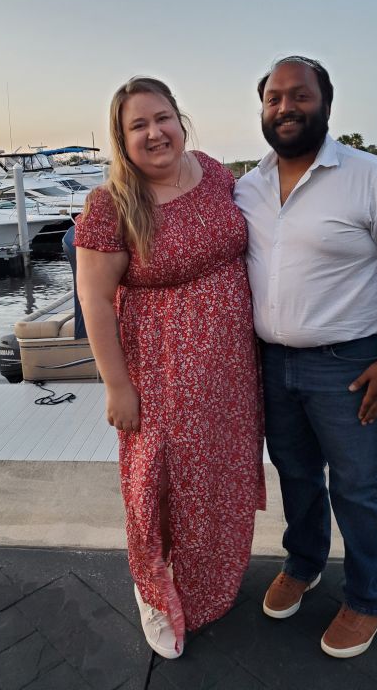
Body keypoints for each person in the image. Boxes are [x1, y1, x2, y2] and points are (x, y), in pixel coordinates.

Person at [234, 56, 377, 659]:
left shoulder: (375, 178)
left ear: (326, 101)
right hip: (272, 362)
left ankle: (369, 596)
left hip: (348, 364)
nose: (285, 107)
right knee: (294, 474)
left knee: (358, 485)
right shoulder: (247, 186)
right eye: (273, 98)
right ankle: (304, 562)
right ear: (262, 108)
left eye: (299, 95)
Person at [74, 77, 265, 660]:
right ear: (122, 138)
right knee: (155, 486)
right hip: (158, 370)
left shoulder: (214, 173)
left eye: (162, 118)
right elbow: (95, 302)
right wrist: (116, 386)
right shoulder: (110, 204)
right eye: (138, 125)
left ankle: (208, 588)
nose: (154, 132)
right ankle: (154, 590)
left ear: (181, 120)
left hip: (231, 368)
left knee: (217, 479)